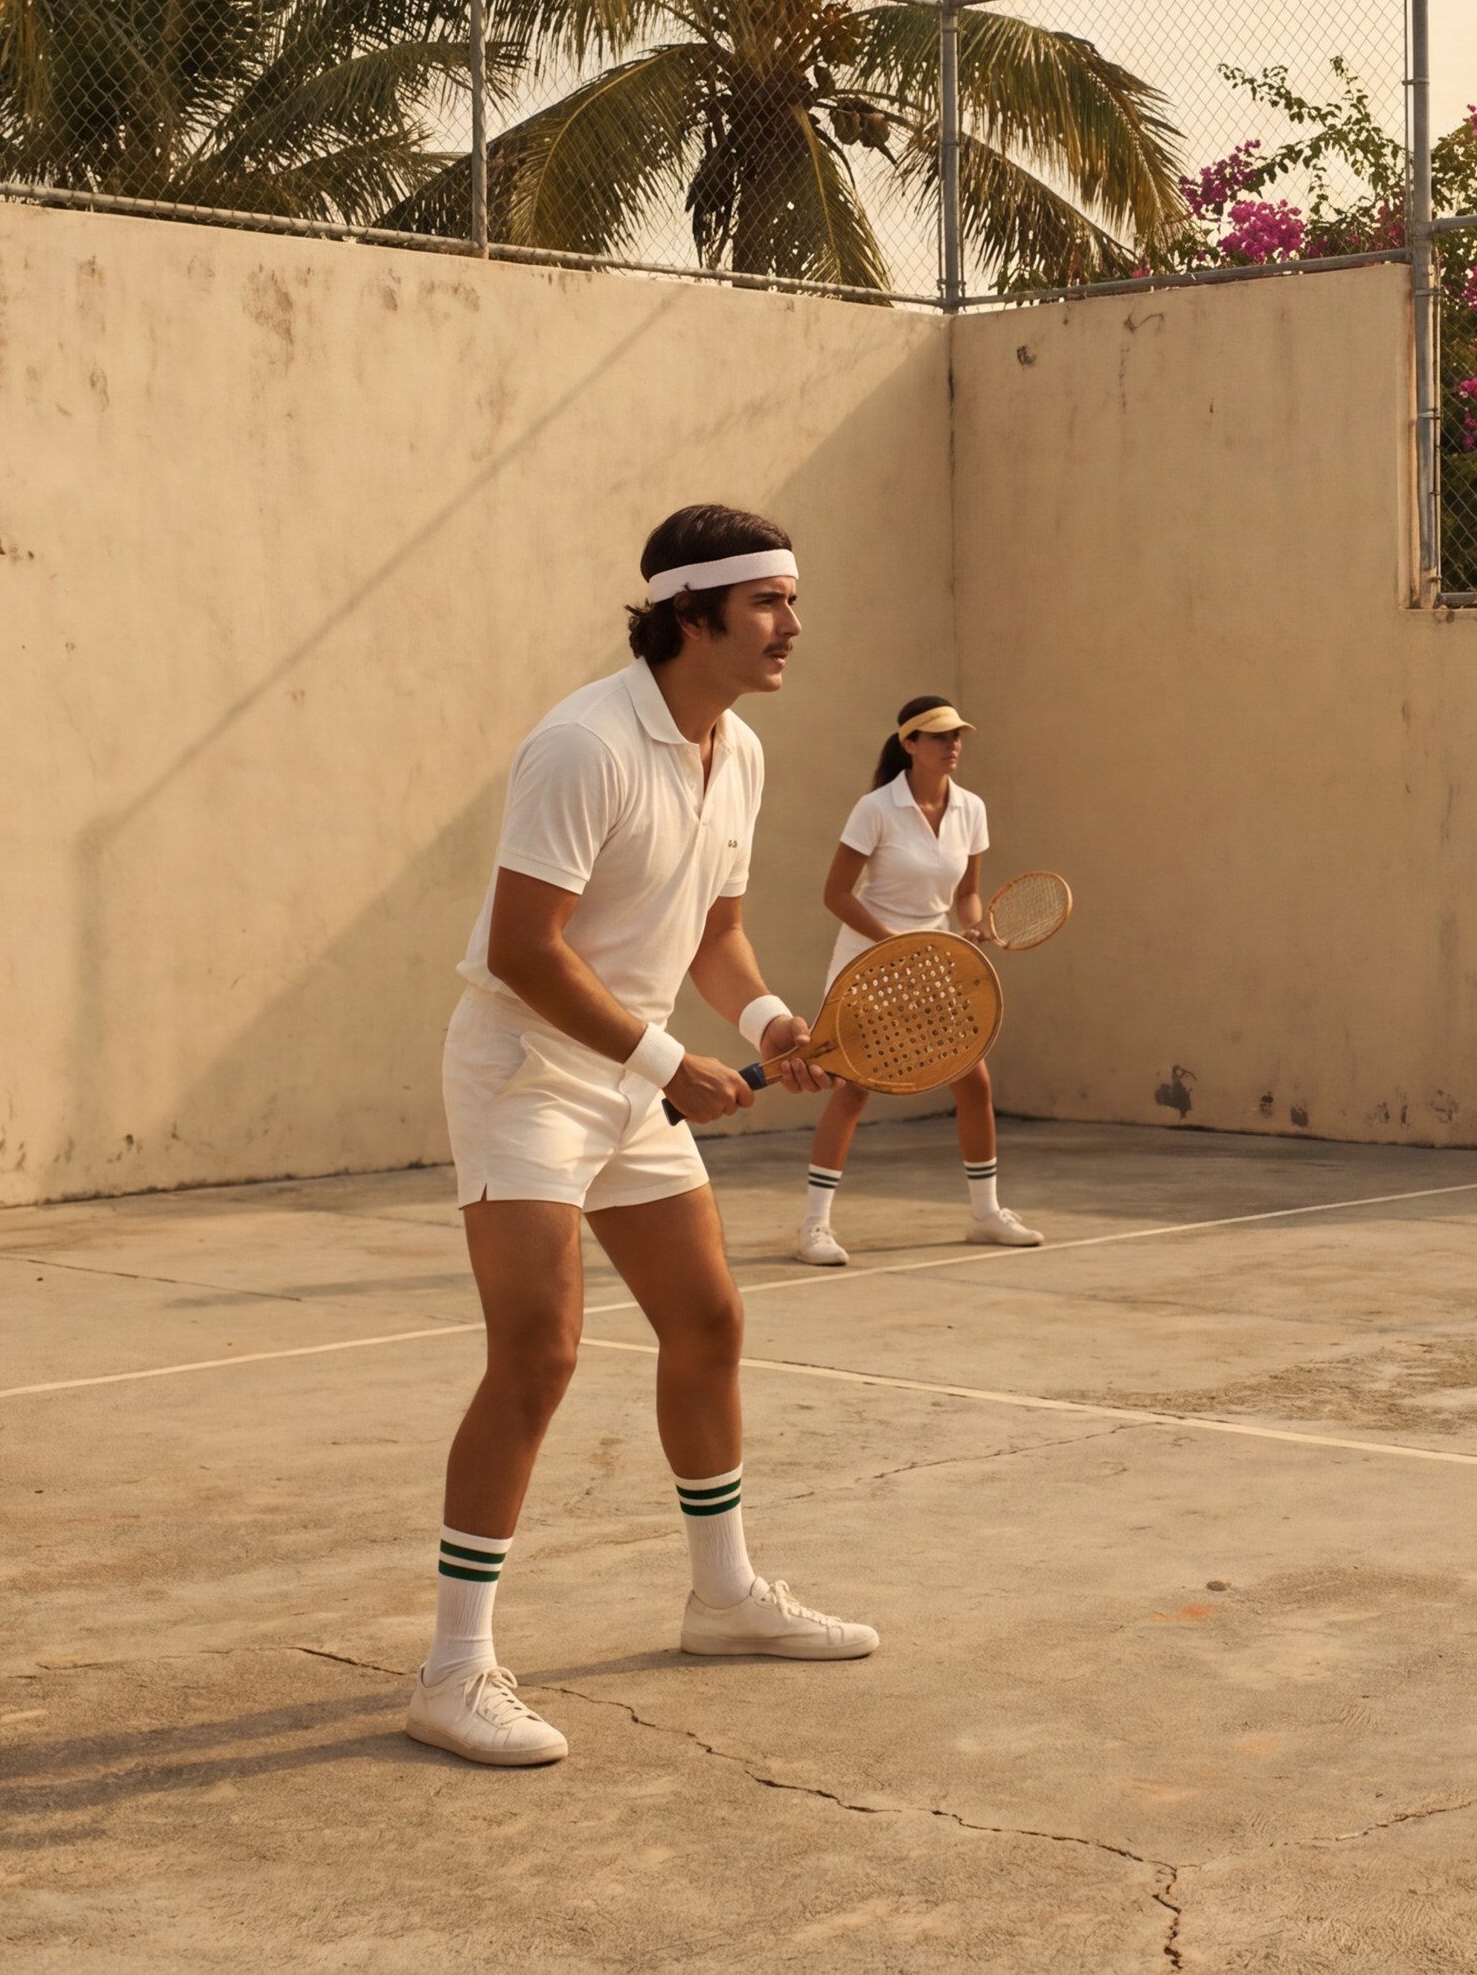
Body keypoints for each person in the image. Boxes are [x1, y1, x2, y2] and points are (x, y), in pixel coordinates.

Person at [407, 505, 880, 1771]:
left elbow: (712, 931)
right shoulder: (581, 745)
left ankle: (722, 1600)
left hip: (627, 1075)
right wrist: (673, 1064)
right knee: (538, 1352)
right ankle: (453, 1671)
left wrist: (772, 1022)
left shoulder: (743, 752)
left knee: (711, 1321)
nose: (794, 625)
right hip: (527, 1074)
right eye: (770, 602)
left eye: (794, 598)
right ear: (693, 614)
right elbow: (523, 949)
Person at [792, 696, 1041, 1265]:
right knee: (851, 1088)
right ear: (909, 744)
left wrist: (976, 926)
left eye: (957, 736)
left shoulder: (972, 809)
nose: (952, 745)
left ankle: (985, 1214)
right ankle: (814, 1228)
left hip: (933, 964)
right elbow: (835, 894)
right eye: (938, 736)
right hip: (868, 963)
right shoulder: (874, 809)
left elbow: (966, 894)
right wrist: (893, 945)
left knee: (973, 1082)